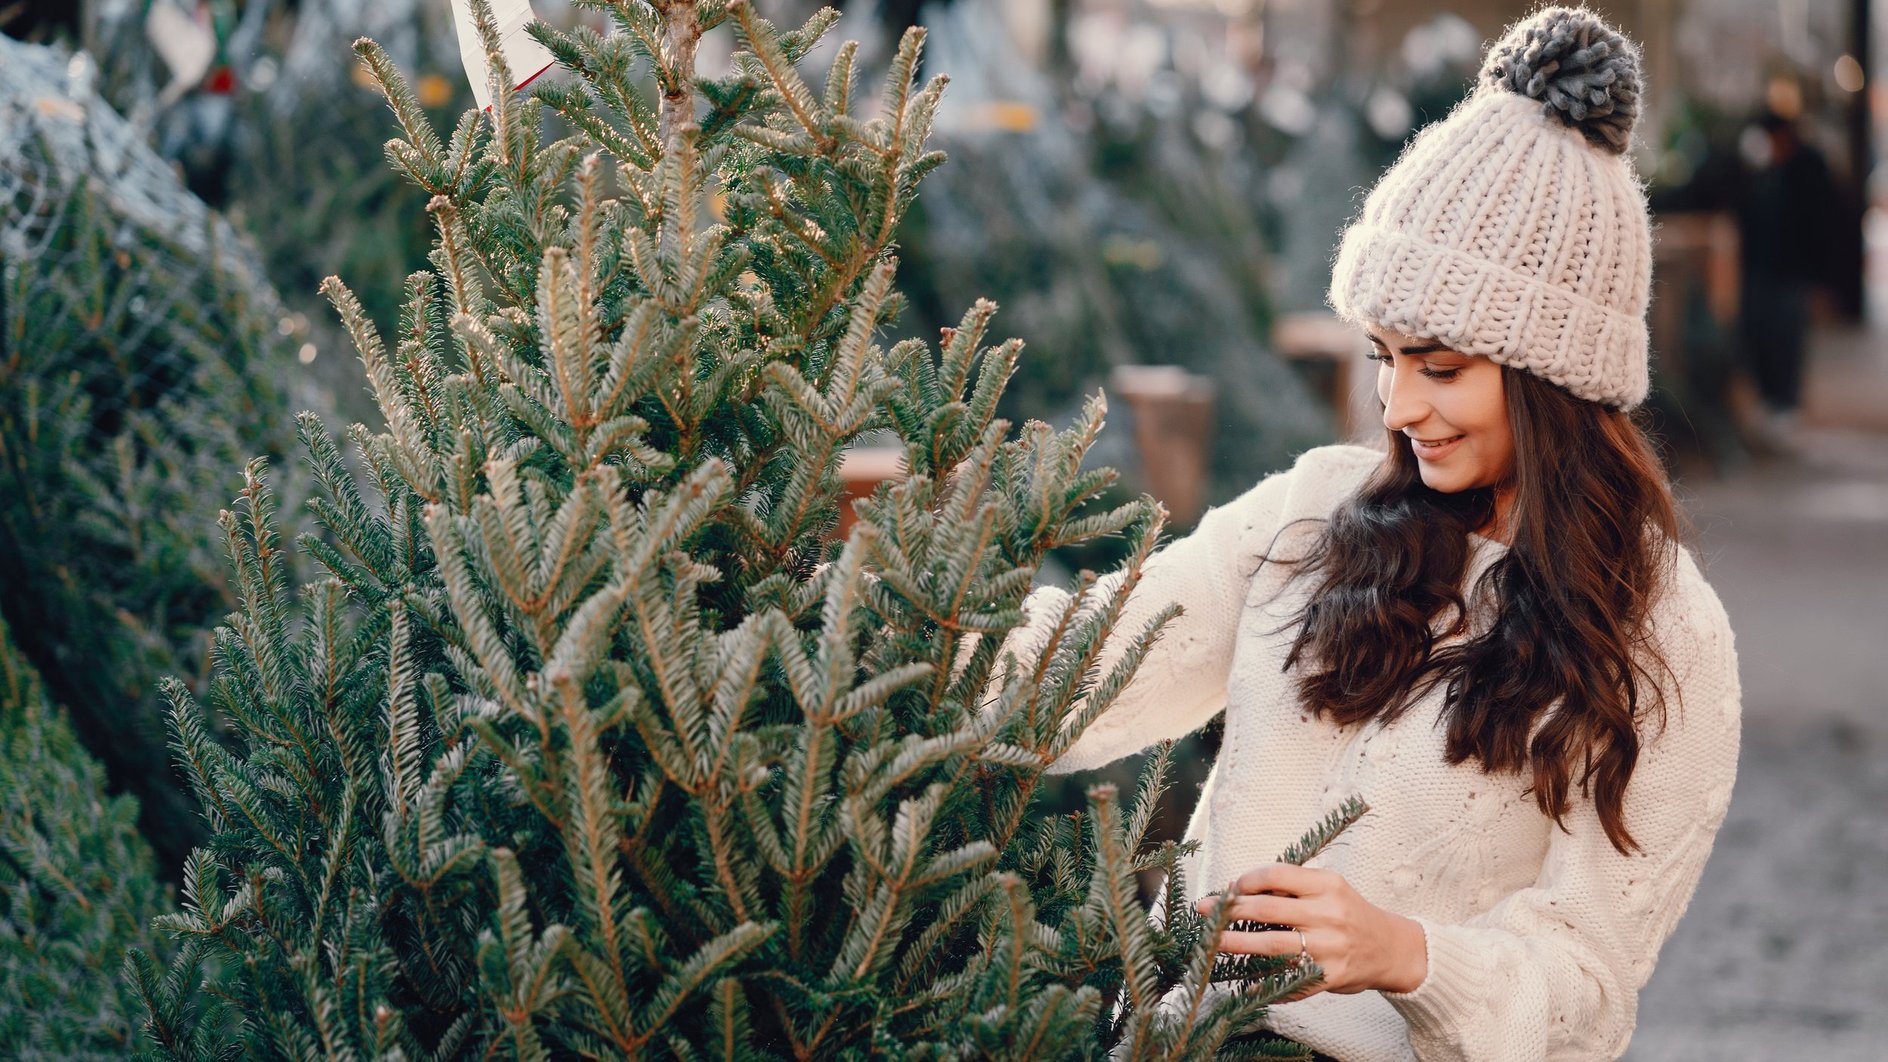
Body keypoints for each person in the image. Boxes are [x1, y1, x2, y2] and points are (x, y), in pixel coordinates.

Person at [981, 9, 1741, 1060]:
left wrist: (1406, 953)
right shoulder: (1314, 515)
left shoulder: (1664, 634)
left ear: (1554, 377)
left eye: (1438, 367)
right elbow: (1091, 660)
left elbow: (1588, 986)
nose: (1396, 405)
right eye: (1381, 355)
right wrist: (866, 623)